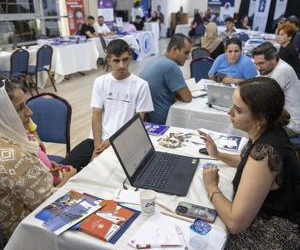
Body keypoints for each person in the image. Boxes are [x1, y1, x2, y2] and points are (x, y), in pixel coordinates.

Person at [199, 77, 300, 250]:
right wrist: (218, 155)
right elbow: (248, 162)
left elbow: (235, 224)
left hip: (272, 239)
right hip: (272, 220)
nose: (229, 113)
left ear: (260, 118)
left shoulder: (266, 151)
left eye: (237, 110)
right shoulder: (269, 132)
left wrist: (212, 188)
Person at [0, 79, 74, 250]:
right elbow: (54, 206)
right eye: (20, 108)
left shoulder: (9, 146)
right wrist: (70, 177)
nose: (29, 113)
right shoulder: (16, 157)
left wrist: (41, 174)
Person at [62, 39, 153, 169]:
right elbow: (96, 115)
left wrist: (110, 142)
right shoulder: (100, 82)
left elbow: (137, 122)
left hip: (124, 141)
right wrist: (97, 147)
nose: (121, 65)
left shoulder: (141, 85)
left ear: (130, 58)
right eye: (116, 60)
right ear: (108, 60)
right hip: (97, 140)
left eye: (125, 59)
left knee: (105, 173)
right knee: (64, 168)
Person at [4, 81, 77, 183]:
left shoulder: (24, 137)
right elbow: (46, 198)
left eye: (26, 104)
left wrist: (45, 165)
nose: (30, 112)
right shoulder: (18, 156)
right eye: (20, 108)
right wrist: (67, 179)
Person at [140, 33, 192, 124]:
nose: (188, 57)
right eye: (186, 52)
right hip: (164, 121)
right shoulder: (171, 66)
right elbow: (187, 97)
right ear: (175, 50)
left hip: (148, 120)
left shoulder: (157, 59)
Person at [252, 42, 300, 137]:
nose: (258, 68)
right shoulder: (269, 67)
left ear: (273, 59)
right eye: (256, 64)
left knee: (252, 130)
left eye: (261, 63)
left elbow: (263, 99)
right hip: (281, 118)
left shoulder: (282, 71)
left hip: (292, 125)